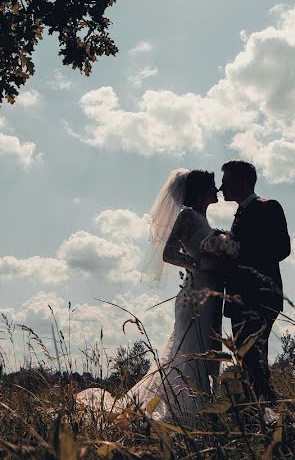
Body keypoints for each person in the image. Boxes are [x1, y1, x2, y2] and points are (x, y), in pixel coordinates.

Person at [76, 168, 227, 425]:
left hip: (212, 296)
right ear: (201, 192)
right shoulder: (187, 217)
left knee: (210, 351)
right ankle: (188, 414)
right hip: (195, 296)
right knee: (192, 352)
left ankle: (205, 410)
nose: (218, 190)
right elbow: (168, 254)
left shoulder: (204, 220)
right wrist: (197, 264)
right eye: (213, 186)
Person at [219, 160, 290, 404]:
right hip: (240, 298)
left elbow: (282, 248)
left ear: (241, 182)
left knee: (253, 358)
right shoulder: (239, 213)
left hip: (259, 297)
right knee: (245, 358)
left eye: (225, 182)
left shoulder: (268, 207)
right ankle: (258, 413)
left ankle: (268, 411)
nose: (220, 188)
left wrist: (238, 254)